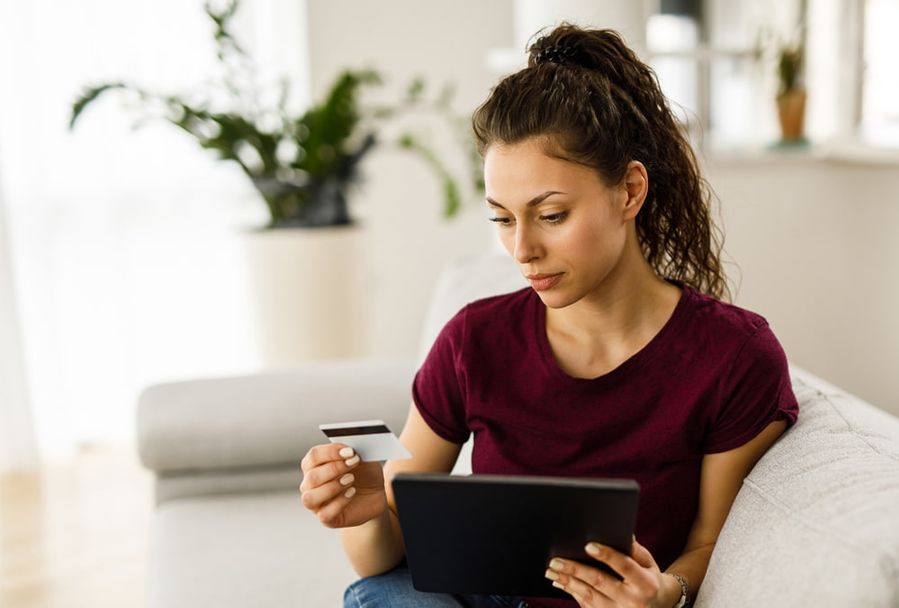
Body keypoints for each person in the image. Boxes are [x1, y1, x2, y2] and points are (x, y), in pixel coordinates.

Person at [299, 23, 799, 608]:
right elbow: (385, 554)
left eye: (552, 215)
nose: (522, 249)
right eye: (502, 219)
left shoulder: (732, 356)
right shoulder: (473, 339)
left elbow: (709, 542)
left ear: (630, 190)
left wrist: (667, 592)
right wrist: (364, 513)